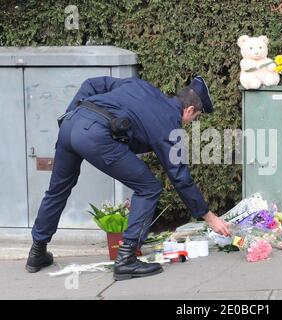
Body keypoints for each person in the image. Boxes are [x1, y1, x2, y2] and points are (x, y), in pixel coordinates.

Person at [25, 75, 231, 281]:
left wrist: (74, 113)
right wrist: (209, 217)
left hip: (70, 124)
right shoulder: (170, 123)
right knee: (149, 188)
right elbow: (180, 177)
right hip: (96, 135)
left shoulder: (140, 85)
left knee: (57, 190)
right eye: (194, 118)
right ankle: (126, 258)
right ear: (189, 110)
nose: (190, 122)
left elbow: (92, 84)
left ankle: (37, 252)